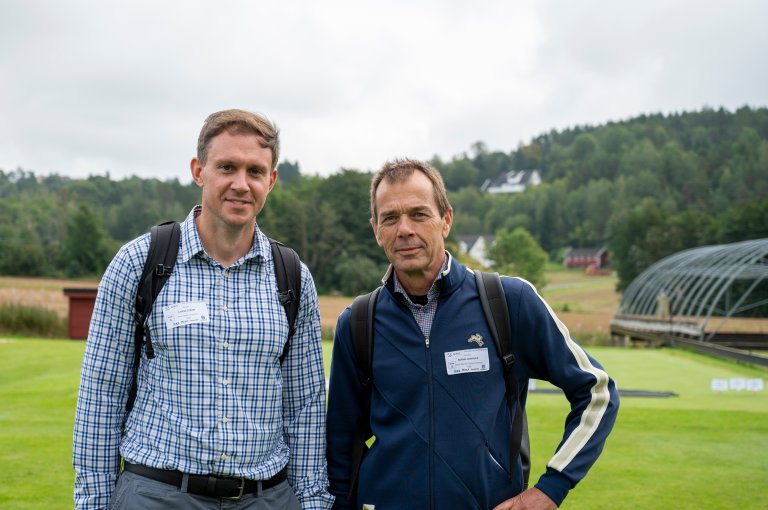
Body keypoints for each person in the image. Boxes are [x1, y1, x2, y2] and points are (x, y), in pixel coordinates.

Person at [73, 109, 334, 509]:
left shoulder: (293, 277)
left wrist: (313, 502)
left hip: (265, 498)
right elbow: (101, 394)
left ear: (271, 180)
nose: (241, 184)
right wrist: (92, 503)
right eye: (227, 167)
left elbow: (305, 407)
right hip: (156, 494)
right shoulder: (140, 262)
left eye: (255, 171)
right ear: (199, 171)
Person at [326, 159, 619, 509]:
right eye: (390, 218)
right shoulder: (358, 322)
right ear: (376, 230)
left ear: (446, 219)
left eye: (419, 214)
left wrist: (551, 489)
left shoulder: (508, 302)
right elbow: (341, 449)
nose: (404, 229)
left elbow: (597, 392)